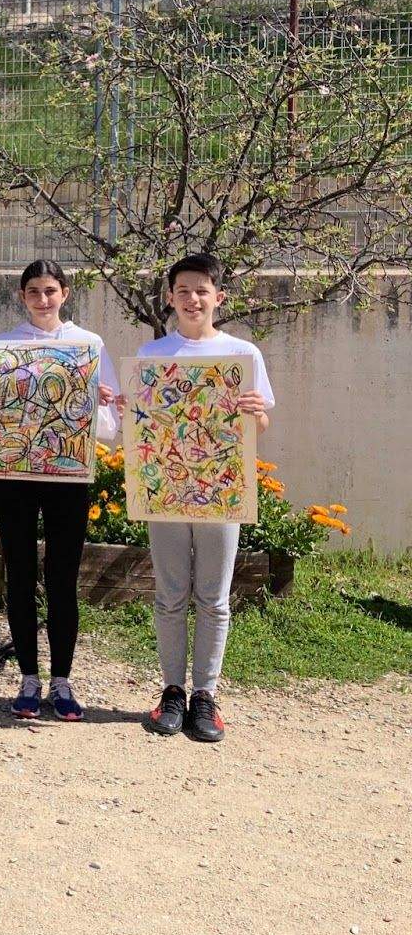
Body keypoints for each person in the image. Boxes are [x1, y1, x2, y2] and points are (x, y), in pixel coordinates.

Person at [0, 259, 119, 721]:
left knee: (63, 578)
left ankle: (62, 680)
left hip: (68, 476)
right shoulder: (3, 347)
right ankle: (29, 678)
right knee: (18, 573)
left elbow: (108, 428)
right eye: (33, 291)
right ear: (22, 296)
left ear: (65, 293)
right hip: (14, 476)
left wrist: (101, 402)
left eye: (50, 290)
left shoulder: (89, 345)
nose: (43, 299)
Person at [135, 253, 273, 744]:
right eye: (183, 291)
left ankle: (206, 695)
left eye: (201, 291)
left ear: (219, 297)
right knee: (170, 594)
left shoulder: (242, 354)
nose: (192, 299)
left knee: (214, 598)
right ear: (170, 298)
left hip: (222, 490)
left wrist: (255, 413)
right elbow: (141, 424)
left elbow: (260, 424)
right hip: (166, 491)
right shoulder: (152, 355)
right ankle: (172, 691)